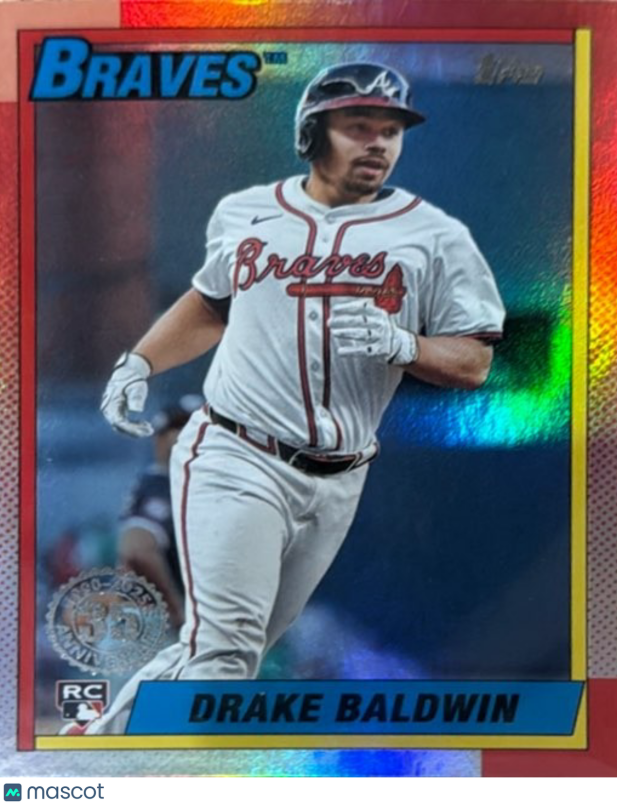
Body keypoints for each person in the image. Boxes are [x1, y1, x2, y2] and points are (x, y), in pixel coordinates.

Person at [91, 62, 506, 734]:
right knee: (225, 656)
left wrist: (406, 345)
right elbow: (211, 302)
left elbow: (475, 361)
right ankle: (151, 770)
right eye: (358, 126)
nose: (377, 142)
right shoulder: (246, 211)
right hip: (238, 452)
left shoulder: (436, 236)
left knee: (230, 649)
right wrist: (140, 361)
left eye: (390, 130)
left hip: (339, 477)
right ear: (312, 134)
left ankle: (97, 747)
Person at [117, 396, 203, 630]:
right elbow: (137, 548)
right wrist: (178, 612)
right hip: (156, 628)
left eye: (201, 427)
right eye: (180, 426)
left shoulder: (192, 488)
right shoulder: (162, 485)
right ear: (160, 440)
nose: (192, 434)